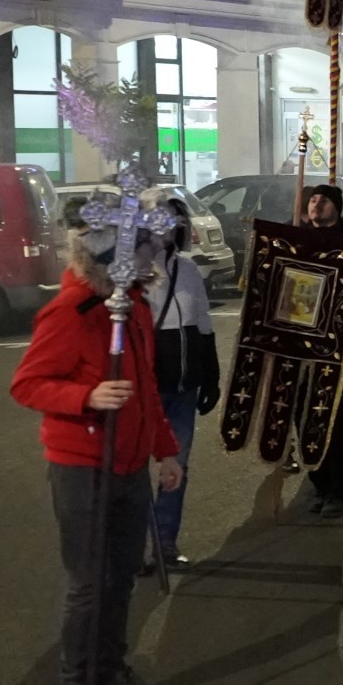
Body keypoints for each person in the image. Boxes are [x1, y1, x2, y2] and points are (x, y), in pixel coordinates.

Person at [11, 218, 187, 685]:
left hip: (130, 463)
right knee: (89, 583)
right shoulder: (72, 311)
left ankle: (110, 675)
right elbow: (27, 384)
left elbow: (146, 386)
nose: (148, 261)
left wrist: (166, 451)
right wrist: (85, 397)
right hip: (82, 465)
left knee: (121, 576)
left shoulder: (129, 308)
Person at [142, 198, 220, 569]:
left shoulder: (188, 270)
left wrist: (212, 375)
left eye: (174, 221)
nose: (168, 228)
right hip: (148, 388)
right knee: (135, 470)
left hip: (185, 387)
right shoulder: (135, 272)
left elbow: (203, 323)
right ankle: (134, 547)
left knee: (177, 468)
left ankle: (165, 544)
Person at [302, 184, 343, 516]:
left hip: (337, 350)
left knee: (338, 423)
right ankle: (318, 482)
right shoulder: (296, 244)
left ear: (337, 208)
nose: (317, 205)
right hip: (302, 353)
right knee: (307, 420)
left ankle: (336, 490)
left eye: (324, 201)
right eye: (313, 200)